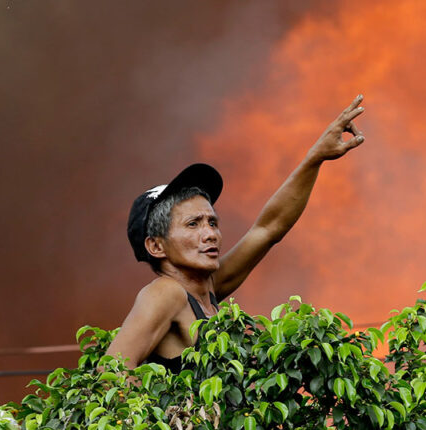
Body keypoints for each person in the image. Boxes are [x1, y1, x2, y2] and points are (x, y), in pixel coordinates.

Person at [106, 95, 366, 371]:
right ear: (156, 246)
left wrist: (315, 158)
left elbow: (268, 228)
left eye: (212, 222)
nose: (210, 234)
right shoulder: (166, 293)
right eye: (193, 224)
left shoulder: (205, 291)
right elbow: (112, 371)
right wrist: (175, 415)